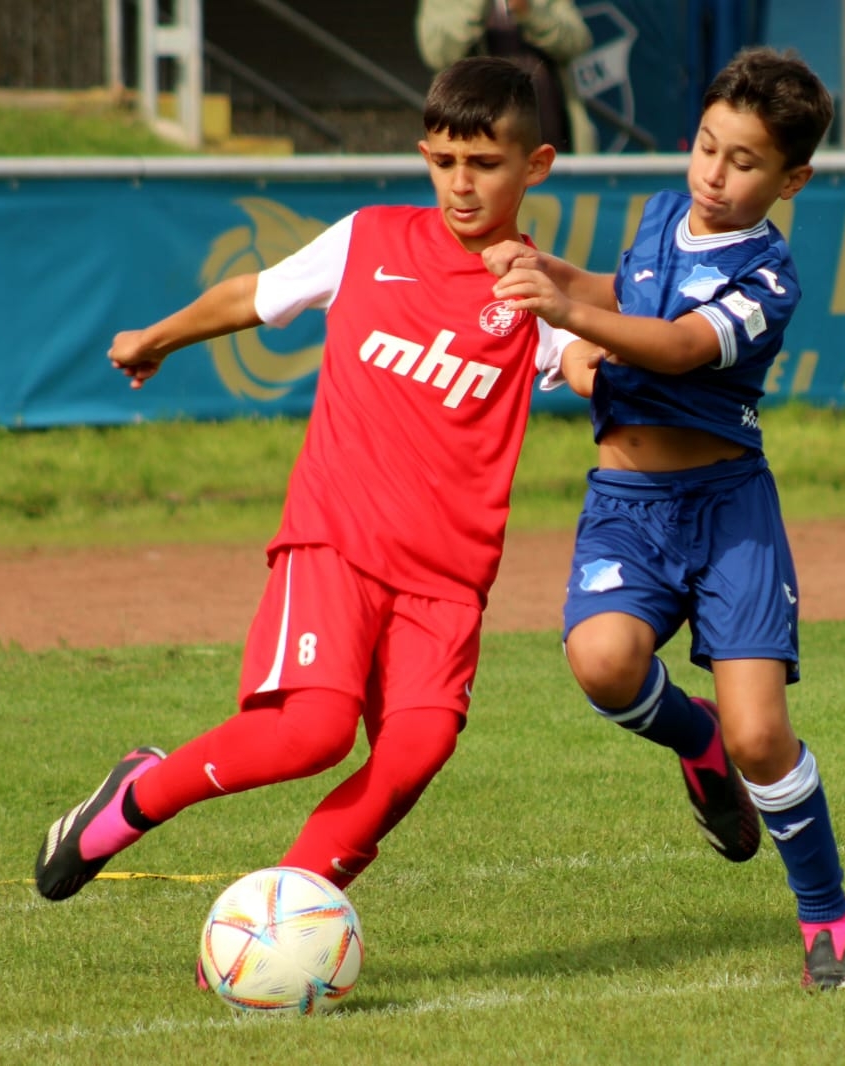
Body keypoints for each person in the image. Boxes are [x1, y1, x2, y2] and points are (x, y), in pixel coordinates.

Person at [33, 58, 578, 941]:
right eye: (444, 161)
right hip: (337, 541)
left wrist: (628, 353)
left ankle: (284, 925)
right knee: (311, 733)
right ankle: (136, 795)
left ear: (536, 164)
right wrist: (157, 338)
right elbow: (254, 295)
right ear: (424, 155)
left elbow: (590, 360)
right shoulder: (370, 238)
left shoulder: (537, 291)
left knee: (416, 751)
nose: (461, 183)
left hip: (447, 579)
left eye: (484, 164)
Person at [483, 47, 845, 990]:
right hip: (627, 506)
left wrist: (564, 314)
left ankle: (827, 912)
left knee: (762, 738)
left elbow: (677, 345)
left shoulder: (769, 277)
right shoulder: (661, 214)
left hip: (729, 514)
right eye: (706, 146)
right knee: (602, 662)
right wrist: (547, 270)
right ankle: (696, 745)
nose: (714, 174)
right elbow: (626, 296)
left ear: (791, 180)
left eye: (745, 161)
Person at [417, 0, 595, 155]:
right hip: (473, 135)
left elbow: (578, 42)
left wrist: (530, 13)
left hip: (549, 131)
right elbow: (437, 54)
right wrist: (475, 8)